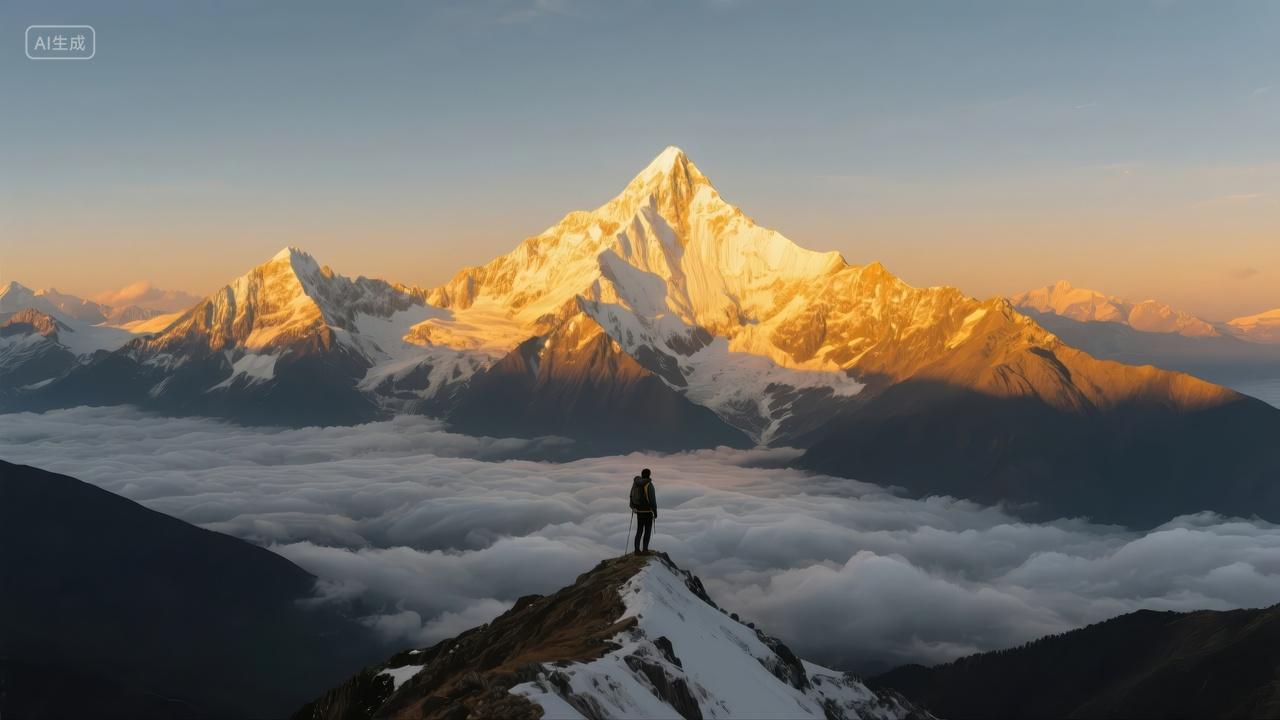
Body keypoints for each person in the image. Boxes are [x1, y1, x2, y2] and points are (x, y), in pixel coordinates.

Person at [629, 468, 657, 554]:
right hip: (648, 511)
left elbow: (631, 495)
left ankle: (637, 550)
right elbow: (652, 500)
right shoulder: (648, 484)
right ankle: (645, 550)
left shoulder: (636, 484)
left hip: (639, 511)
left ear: (642, 474)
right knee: (647, 531)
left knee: (639, 530)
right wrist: (655, 512)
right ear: (649, 474)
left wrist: (633, 507)